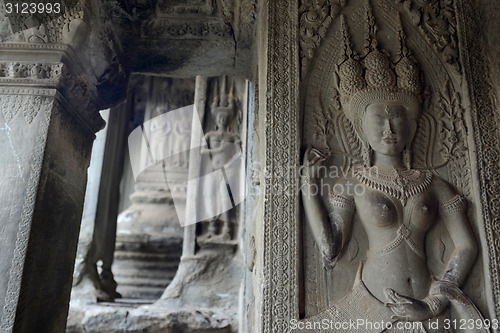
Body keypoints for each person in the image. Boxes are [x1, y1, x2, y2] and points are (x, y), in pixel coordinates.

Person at [300, 11, 486, 332]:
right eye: (378, 119)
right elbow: (331, 249)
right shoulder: (353, 183)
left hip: (428, 306)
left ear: (412, 125)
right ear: (361, 128)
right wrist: (308, 188)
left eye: (397, 117)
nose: (389, 128)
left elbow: (467, 245)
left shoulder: (434, 184)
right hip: (372, 303)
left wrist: (434, 303)